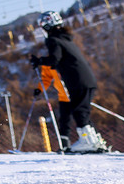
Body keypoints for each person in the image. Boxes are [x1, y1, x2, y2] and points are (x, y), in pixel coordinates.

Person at [30, 12, 108, 153]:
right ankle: (94, 140)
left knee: (79, 111)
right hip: (87, 79)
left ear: (47, 26)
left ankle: (86, 141)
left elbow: (55, 59)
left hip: (76, 80)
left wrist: (40, 61)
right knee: (83, 110)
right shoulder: (66, 39)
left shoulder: (53, 40)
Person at [35, 64, 71, 151]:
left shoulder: (66, 57)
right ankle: (65, 146)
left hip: (75, 94)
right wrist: (40, 89)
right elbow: (46, 78)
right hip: (63, 96)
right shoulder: (48, 62)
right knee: (64, 121)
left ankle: (93, 141)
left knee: (82, 118)